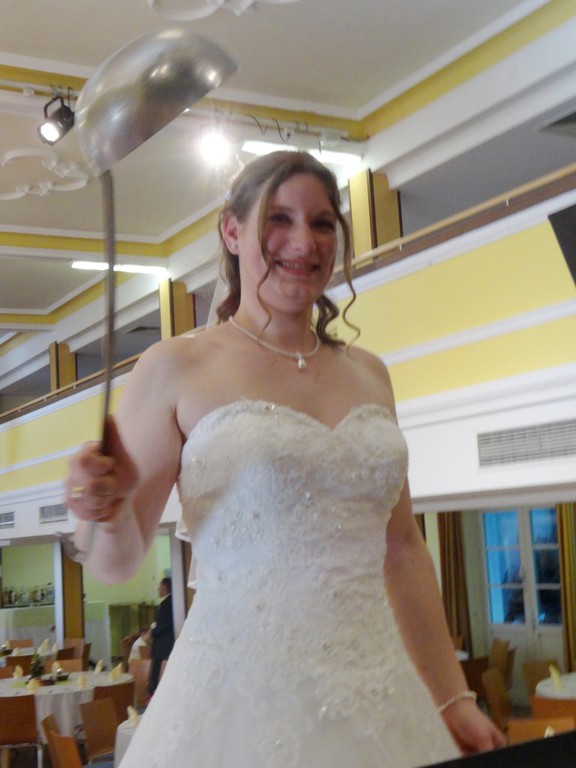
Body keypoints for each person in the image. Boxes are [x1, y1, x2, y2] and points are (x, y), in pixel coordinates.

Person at [67, 151, 505, 768]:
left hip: (379, 691)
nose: (304, 242)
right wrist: (97, 506)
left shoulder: (371, 374)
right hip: (239, 705)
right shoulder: (175, 367)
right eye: (279, 218)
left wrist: (451, 697)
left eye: (322, 223)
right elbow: (115, 562)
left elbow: (402, 547)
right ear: (232, 231)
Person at [147, 577, 174, 695]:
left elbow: (163, 626)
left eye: (160, 587)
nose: (158, 589)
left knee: (156, 675)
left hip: (162, 646)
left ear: (165, 587)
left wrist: (151, 633)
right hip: (169, 644)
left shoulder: (165, 604)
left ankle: (153, 695)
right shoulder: (174, 601)